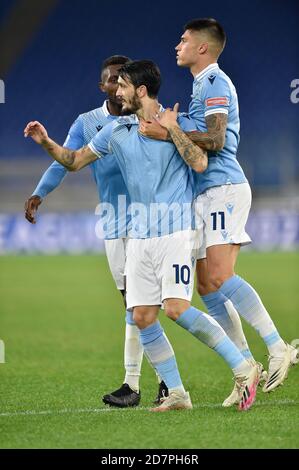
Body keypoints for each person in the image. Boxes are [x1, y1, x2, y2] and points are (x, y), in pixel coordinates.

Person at [24, 59, 261, 412]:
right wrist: (45, 142)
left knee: (177, 309)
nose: (116, 93)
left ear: (141, 90)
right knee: (141, 315)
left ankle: (244, 368)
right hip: (139, 235)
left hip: (176, 232)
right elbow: (73, 161)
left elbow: (199, 163)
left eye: (122, 86)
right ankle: (178, 393)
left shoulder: (173, 122)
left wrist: (171, 131)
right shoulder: (116, 130)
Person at [145, 18, 298, 404]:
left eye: (182, 40)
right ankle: (246, 367)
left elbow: (214, 139)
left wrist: (171, 130)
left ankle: (277, 346)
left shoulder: (215, 82)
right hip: (204, 193)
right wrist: (170, 128)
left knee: (220, 274)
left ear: (202, 48)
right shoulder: (199, 86)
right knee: (206, 285)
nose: (176, 45)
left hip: (224, 188)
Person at [24, 55, 169, 408]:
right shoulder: (90, 124)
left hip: (150, 220)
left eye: (123, 79)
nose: (118, 85)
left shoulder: (150, 116)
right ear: (102, 86)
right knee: (134, 304)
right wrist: (40, 192)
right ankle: (145, 383)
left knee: (148, 305)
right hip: (113, 222)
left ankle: (150, 382)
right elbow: (68, 160)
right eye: (112, 80)